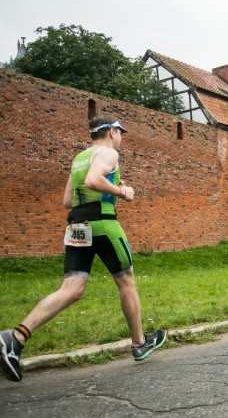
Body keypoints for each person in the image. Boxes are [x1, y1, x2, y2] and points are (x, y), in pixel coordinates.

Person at [0, 117, 166, 383]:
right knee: (126, 281)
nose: (121, 138)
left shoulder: (79, 158)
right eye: (120, 133)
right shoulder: (108, 153)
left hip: (77, 227)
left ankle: (15, 337)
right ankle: (139, 343)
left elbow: (67, 201)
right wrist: (121, 191)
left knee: (72, 289)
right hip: (103, 225)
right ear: (112, 132)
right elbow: (93, 180)